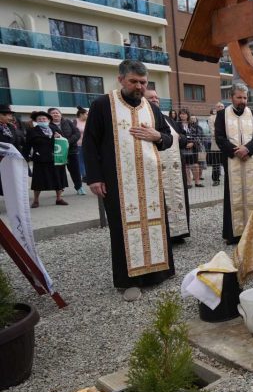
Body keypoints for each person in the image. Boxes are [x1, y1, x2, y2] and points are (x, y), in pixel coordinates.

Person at [83, 60, 175, 299]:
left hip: (150, 180)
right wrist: (94, 177)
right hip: (117, 181)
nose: (139, 87)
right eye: (134, 81)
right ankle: (129, 280)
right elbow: (90, 143)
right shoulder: (103, 105)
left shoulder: (152, 108)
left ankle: (158, 273)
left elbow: (168, 138)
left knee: (155, 223)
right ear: (121, 79)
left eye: (143, 82)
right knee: (122, 228)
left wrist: (157, 136)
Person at [214, 82, 253, 244]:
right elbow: (219, 138)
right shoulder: (222, 115)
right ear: (231, 97)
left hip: (251, 162)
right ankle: (234, 234)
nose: (243, 101)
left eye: (245, 97)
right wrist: (236, 150)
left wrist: (247, 149)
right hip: (232, 161)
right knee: (233, 197)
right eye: (239, 97)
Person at [145, 89, 190, 243]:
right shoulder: (143, 119)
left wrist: (180, 138)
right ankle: (164, 235)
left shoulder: (168, 119)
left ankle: (179, 233)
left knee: (178, 197)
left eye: (157, 97)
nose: (155, 99)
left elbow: (183, 138)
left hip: (175, 167)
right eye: (151, 97)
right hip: (157, 168)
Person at [25, 111, 68, 207]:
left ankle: (59, 198)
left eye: (44, 119)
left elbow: (62, 140)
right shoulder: (32, 131)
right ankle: (36, 200)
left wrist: (58, 136)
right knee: (38, 180)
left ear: (48, 120)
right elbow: (27, 145)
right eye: (39, 119)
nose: (42, 120)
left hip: (56, 157)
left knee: (58, 179)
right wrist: (25, 157)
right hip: (40, 158)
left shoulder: (54, 128)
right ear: (36, 121)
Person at [48, 107, 84, 195]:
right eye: (53, 113)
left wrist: (67, 141)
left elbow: (77, 133)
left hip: (71, 150)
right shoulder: (48, 125)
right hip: (58, 152)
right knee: (59, 171)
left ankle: (79, 187)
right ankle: (61, 189)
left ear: (61, 114)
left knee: (75, 170)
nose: (55, 114)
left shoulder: (68, 122)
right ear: (49, 115)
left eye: (57, 113)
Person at [177, 109, 203, 188]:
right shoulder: (177, 124)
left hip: (193, 147)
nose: (182, 115)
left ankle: (197, 182)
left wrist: (193, 143)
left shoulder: (192, 125)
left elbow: (198, 135)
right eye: (181, 114)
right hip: (182, 147)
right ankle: (188, 182)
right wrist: (184, 143)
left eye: (184, 114)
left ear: (188, 115)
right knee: (186, 165)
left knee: (195, 165)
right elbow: (176, 135)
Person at [207, 102, 224, 186]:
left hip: (227, 144)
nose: (220, 107)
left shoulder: (227, 117)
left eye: (222, 106)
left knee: (227, 163)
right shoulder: (212, 118)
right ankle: (216, 179)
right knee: (216, 163)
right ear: (216, 108)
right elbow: (212, 130)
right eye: (218, 106)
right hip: (216, 144)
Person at [74, 107, 88, 183]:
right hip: (78, 144)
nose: (87, 115)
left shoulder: (88, 121)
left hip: (88, 145)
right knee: (81, 160)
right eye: (86, 114)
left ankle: (88, 174)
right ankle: (84, 175)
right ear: (81, 114)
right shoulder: (75, 122)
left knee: (88, 160)